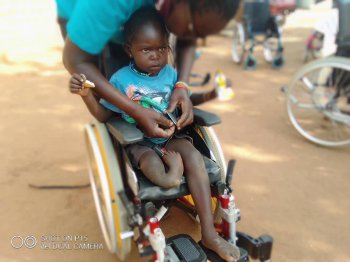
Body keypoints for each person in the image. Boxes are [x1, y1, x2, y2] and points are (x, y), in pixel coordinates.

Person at [69, 6, 240, 261]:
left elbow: (187, 98)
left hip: (170, 138)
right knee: (154, 165)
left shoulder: (170, 74)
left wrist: (211, 94)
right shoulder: (120, 81)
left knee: (193, 155)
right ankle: (172, 177)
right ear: (129, 50)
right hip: (142, 143)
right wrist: (86, 95)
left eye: (161, 48)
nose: (156, 56)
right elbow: (105, 116)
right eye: (146, 50)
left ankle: (209, 234)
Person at [58, 0, 239, 139]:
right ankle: (121, 157)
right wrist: (134, 110)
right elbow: (76, 60)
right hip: (81, 12)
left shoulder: (185, 11)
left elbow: (187, 37)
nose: (194, 40)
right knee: (109, 99)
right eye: (192, 29)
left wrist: (182, 86)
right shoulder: (108, 4)